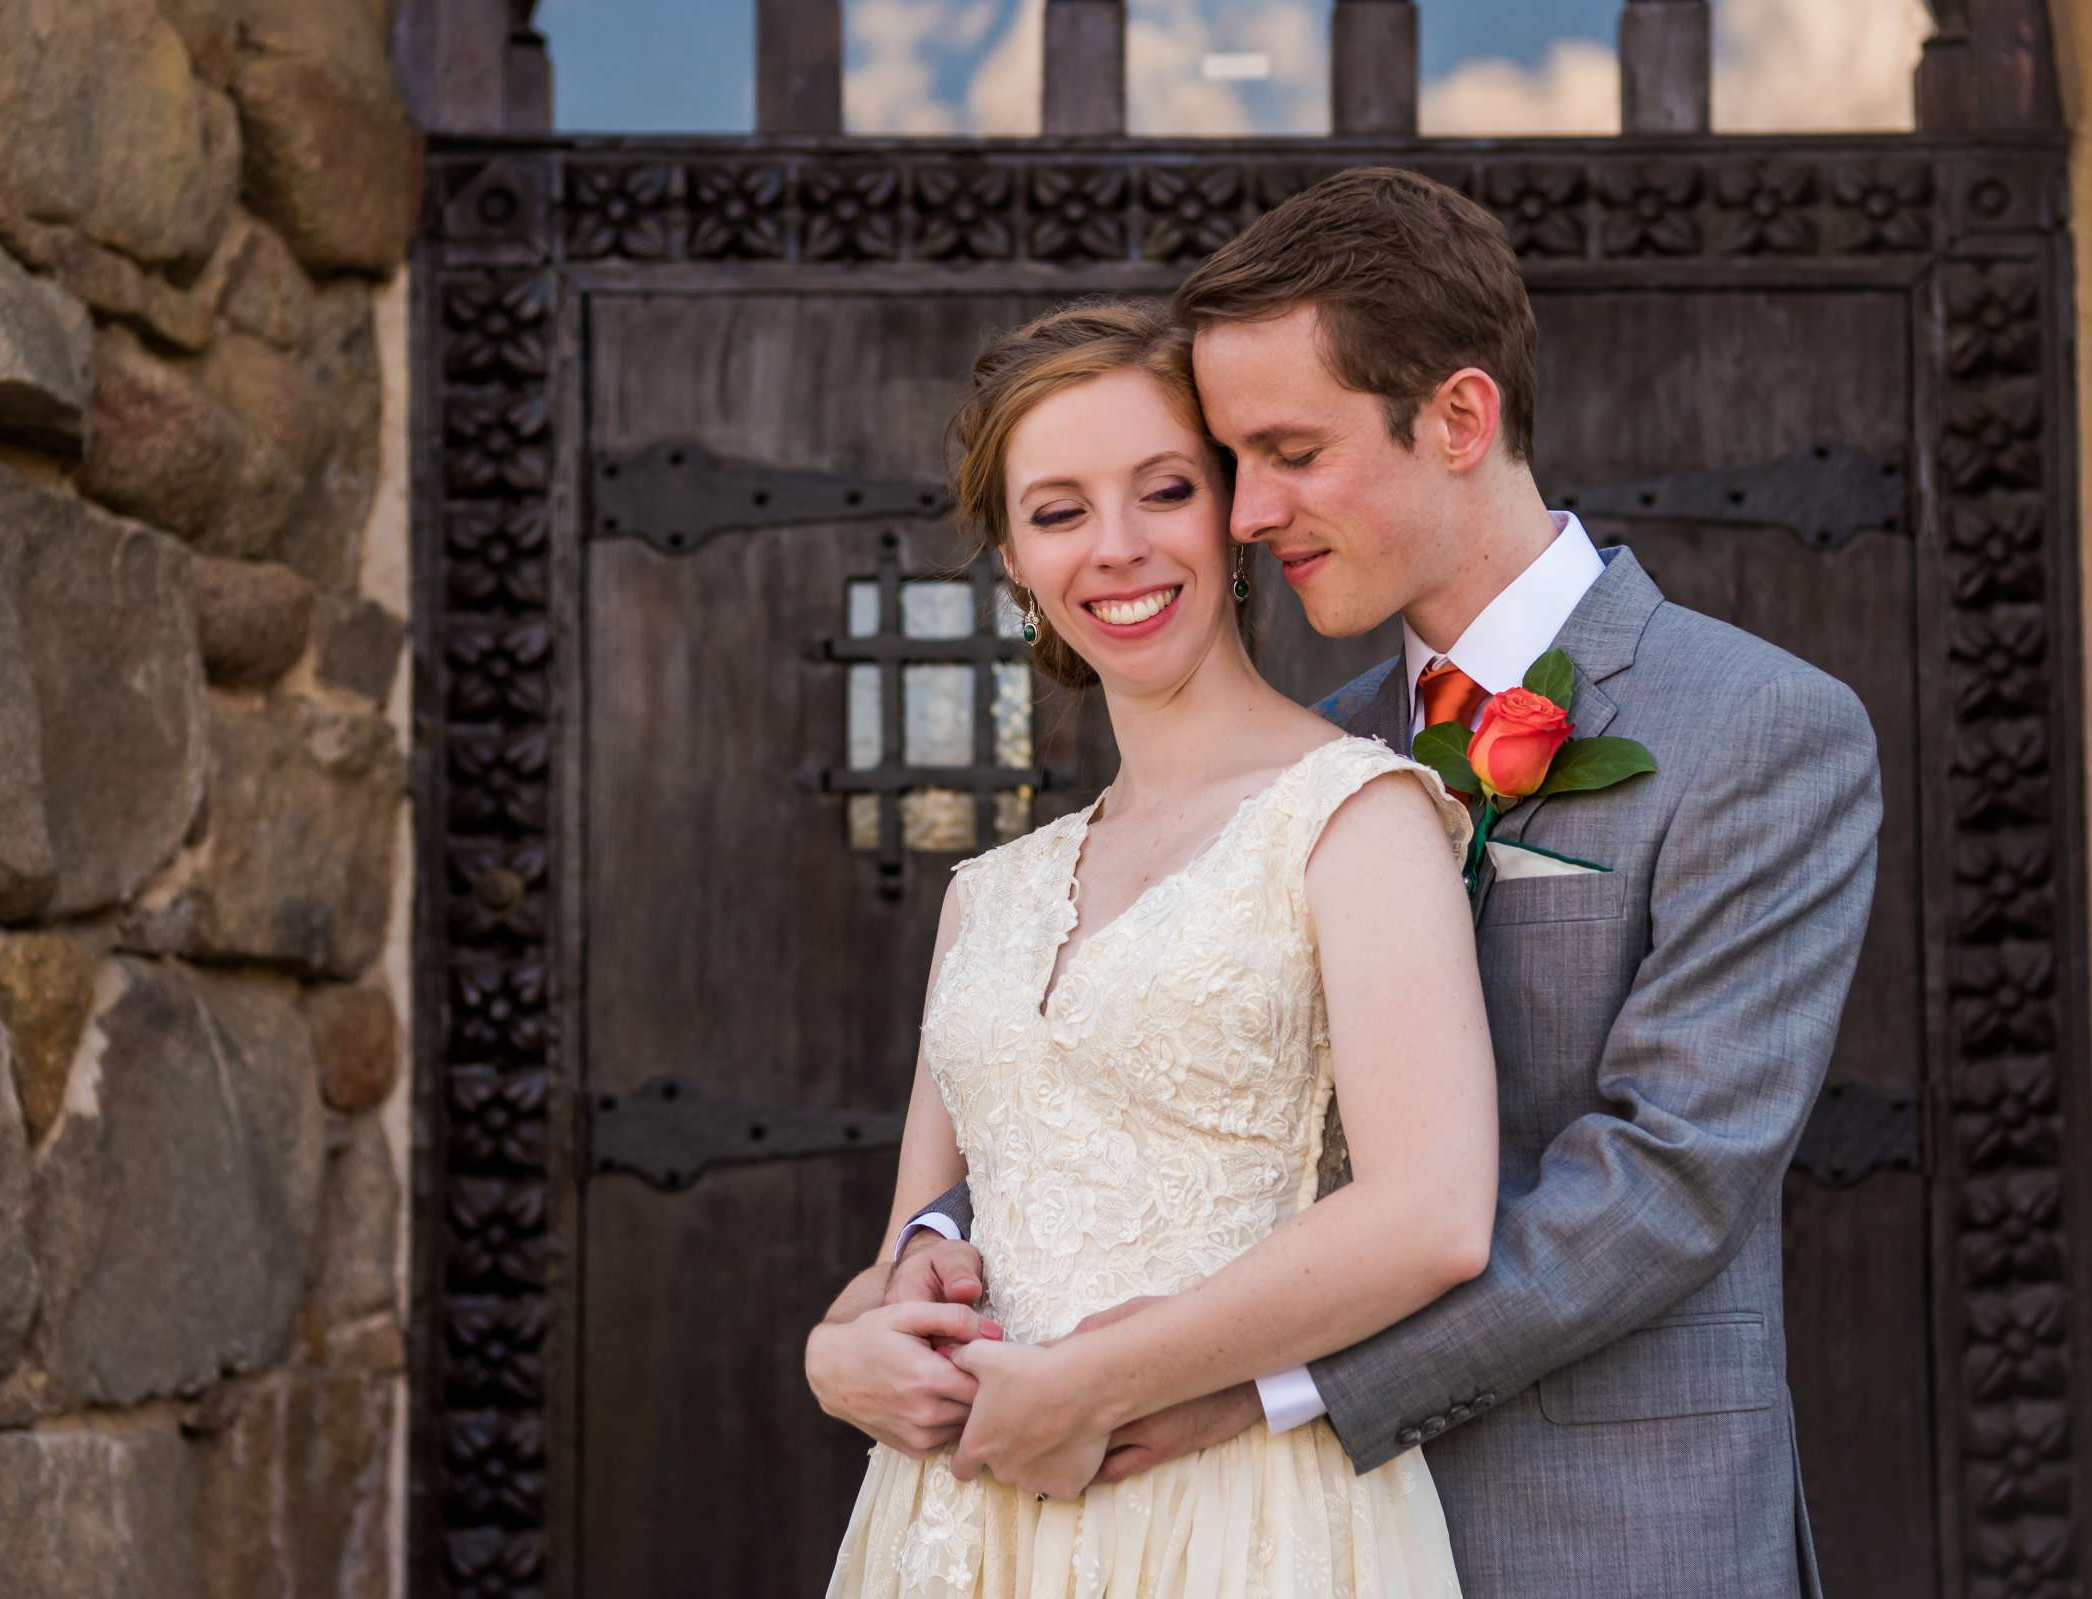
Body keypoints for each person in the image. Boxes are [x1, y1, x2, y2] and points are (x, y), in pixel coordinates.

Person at [869, 168, 1883, 1598]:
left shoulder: (1762, 728)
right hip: (1269, 1538)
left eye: (1286, 451)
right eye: (1232, 461)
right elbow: (1135, 1089)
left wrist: (1263, 1391)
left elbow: (1669, 1181)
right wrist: (919, 1258)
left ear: (1459, 418)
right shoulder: (1315, 757)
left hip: (1601, 1529)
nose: (1246, 510)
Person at [807, 296, 1500, 1596]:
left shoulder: (1355, 817)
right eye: (1060, 512)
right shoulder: (991, 896)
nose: (1116, 551)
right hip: (954, 1533)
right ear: (1014, 558)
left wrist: (1089, 1381)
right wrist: (839, 1356)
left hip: (1229, 1518)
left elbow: (1433, 1217)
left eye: (1162, 492)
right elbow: (917, 1248)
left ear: (1231, 515)